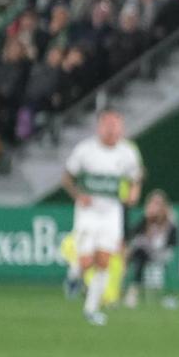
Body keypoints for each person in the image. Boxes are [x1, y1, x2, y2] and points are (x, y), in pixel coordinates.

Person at [62, 108, 144, 327]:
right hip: (88, 213)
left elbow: (136, 175)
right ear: (100, 127)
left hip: (111, 213)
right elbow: (67, 177)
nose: (112, 130)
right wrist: (79, 196)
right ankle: (74, 274)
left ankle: (91, 309)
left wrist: (135, 191)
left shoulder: (127, 152)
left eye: (116, 125)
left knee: (104, 262)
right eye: (108, 125)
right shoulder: (85, 150)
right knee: (86, 261)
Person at [124, 189, 179, 310]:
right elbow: (133, 233)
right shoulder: (147, 218)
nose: (155, 206)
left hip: (162, 252)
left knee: (139, 253)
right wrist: (148, 220)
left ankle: (132, 291)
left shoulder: (170, 220)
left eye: (158, 203)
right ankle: (121, 288)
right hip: (145, 251)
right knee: (136, 254)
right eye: (153, 203)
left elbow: (173, 241)